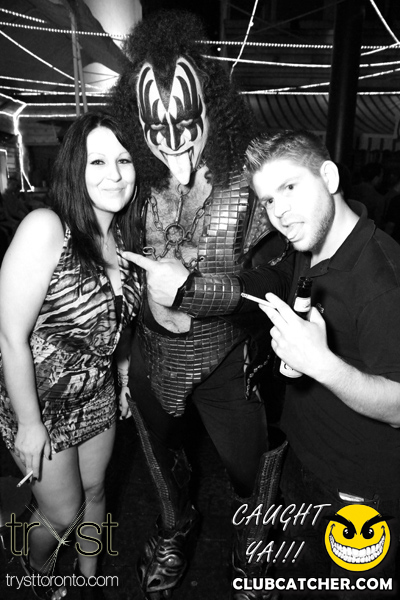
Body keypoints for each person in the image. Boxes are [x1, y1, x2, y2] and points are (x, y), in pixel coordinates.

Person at [110, 9, 293, 600]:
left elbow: (280, 278)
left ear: (211, 106)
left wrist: (193, 288)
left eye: (185, 120)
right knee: (161, 459)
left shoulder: (251, 178)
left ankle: (255, 541)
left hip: (227, 360)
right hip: (152, 355)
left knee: (249, 468)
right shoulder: (132, 183)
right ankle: (175, 528)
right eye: (156, 127)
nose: (173, 140)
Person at [244, 130, 400, 598]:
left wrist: (321, 364)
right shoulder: (311, 245)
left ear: (329, 177)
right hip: (305, 466)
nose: (279, 212)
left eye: (290, 187)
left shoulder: (383, 282)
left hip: (358, 496)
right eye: (269, 200)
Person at [0, 111, 141, 600]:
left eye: (124, 160)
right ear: (74, 168)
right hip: (39, 402)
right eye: (97, 161)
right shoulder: (47, 228)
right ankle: (35, 570)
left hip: (97, 393)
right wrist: (29, 424)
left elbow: (117, 322)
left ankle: (88, 578)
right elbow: (10, 336)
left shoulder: (127, 241)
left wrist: (123, 374)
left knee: (97, 492)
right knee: (61, 513)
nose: (114, 174)